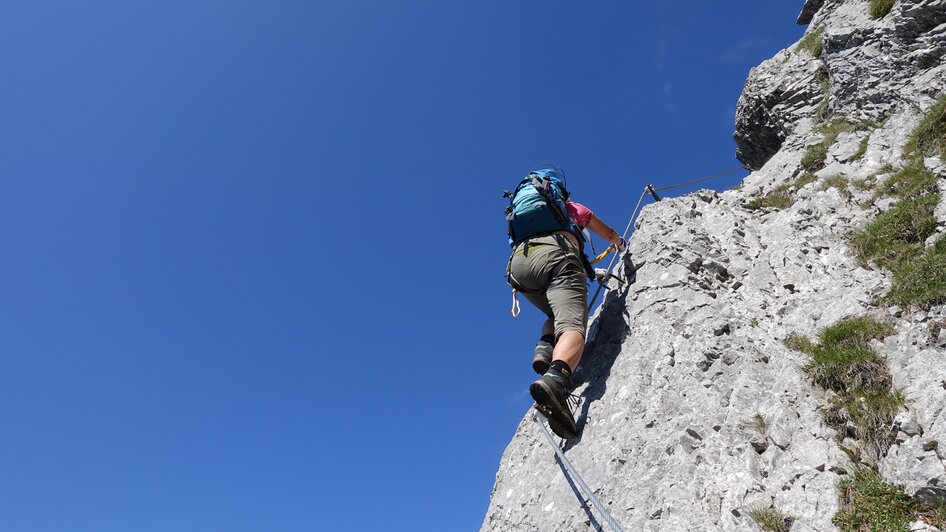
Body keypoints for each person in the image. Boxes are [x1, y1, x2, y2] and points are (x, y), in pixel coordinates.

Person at [505, 165, 624, 441]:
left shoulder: (522, 216)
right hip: (555, 255)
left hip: (519, 267)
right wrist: (618, 242)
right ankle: (556, 382)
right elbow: (605, 232)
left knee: (556, 312)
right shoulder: (570, 209)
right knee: (573, 323)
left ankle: (545, 348)